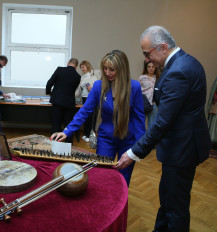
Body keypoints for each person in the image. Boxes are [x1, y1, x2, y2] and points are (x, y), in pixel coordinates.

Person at [116, 26, 211, 232]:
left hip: (182, 149)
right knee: (167, 198)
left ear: (163, 47)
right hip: (180, 146)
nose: (147, 60)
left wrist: (133, 153)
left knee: (175, 206)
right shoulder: (186, 62)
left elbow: (162, 122)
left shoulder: (179, 71)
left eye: (147, 54)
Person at [51, 50, 145, 186]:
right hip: (106, 139)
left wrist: (140, 147)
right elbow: (84, 111)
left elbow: (139, 119)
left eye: (112, 69)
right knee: (103, 175)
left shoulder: (134, 87)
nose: (107, 73)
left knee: (124, 179)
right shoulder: (99, 86)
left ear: (122, 69)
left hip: (128, 140)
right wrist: (67, 131)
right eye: (105, 68)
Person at [46, 58, 81, 143]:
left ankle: (55, 144)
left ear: (68, 63)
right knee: (68, 125)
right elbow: (73, 90)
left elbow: (49, 83)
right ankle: (69, 145)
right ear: (76, 66)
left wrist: (49, 93)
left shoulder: (60, 69)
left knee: (56, 124)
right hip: (69, 103)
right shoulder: (78, 76)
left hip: (57, 101)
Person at [75, 60, 100, 142]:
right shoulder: (82, 77)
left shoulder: (93, 76)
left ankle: (90, 135)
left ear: (87, 66)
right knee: (85, 117)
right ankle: (86, 133)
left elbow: (97, 89)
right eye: (81, 67)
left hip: (92, 99)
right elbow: (79, 89)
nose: (82, 69)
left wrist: (91, 88)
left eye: (83, 67)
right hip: (84, 98)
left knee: (92, 117)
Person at [139, 61, 160, 129]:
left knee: (152, 124)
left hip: (153, 104)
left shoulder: (158, 78)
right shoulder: (142, 77)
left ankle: (150, 139)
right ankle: (141, 139)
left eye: (153, 67)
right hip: (143, 103)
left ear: (155, 68)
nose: (151, 68)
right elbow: (138, 90)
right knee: (141, 123)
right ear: (146, 68)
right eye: (149, 67)